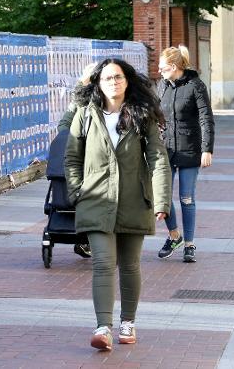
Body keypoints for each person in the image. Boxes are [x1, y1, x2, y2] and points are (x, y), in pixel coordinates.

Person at [65, 59, 171, 351]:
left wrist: (161, 199)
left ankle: (128, 322)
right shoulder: (85, 115)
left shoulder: (142, 114)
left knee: (129, 265)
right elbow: (72, 158)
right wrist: (77, 192)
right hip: (96, 200)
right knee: (101, 262)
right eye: (108, 78)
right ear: (98, 82)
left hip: (134, 200)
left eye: (119, 77)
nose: (114, 82)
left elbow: (159, 158)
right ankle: (103, 327)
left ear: (127, 81)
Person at [157, 45, 215, 263]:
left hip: (190, 150)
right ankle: (174, 235)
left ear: (173, 67)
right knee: (162, 196)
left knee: (186, 198)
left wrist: (207, 149)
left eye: (162, 69)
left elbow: (206, 119)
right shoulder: (162, 86)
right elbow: (155, 114)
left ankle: (189, 244)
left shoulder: (195, 86)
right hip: (166, 150)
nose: (159, 72)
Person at [57, 62, 97, 259]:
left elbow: (63, 124)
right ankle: (85, 239)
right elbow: (64, 124)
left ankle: (86, 239)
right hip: (83, 159)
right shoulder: (82, 100)